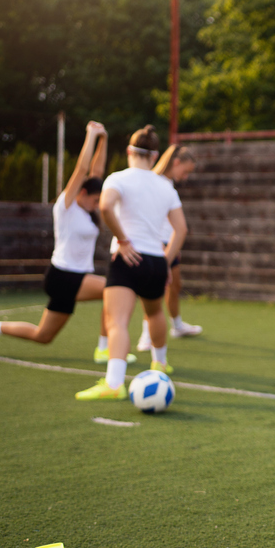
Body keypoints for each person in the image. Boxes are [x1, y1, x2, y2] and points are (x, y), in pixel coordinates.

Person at [0, 121, 135, 362]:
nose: (97, 205)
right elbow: (82, 170)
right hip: (63, 276)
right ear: (81, 193)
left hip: (73, 278)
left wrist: (104, 139)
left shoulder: (87, 209)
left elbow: (96, 172)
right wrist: (90, 135)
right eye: (94, 200)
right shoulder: (66, 206)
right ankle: (104, 349)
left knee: (43, 336)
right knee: (112, 290)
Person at [76, 125, 188, 400]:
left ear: (129, 151)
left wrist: (123, 240)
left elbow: (104, 206)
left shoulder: (118, 179)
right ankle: (159, 362)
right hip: (155, 261)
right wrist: (166, 261)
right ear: (154, 155)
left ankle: (114, 383)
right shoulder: (165, 186)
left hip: (127, 259)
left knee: (117, 323)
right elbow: (181, 229)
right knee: (155, 314)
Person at [134, 145, 201, 351]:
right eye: (186, 171)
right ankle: (146, 334)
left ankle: (177, 325)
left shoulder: (168, 184)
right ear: (177, 162)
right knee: (155, 289)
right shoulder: (153, 182)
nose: (186, 176)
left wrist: (174, 244)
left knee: (175, 285)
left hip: (169, 241)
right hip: (155, 244)